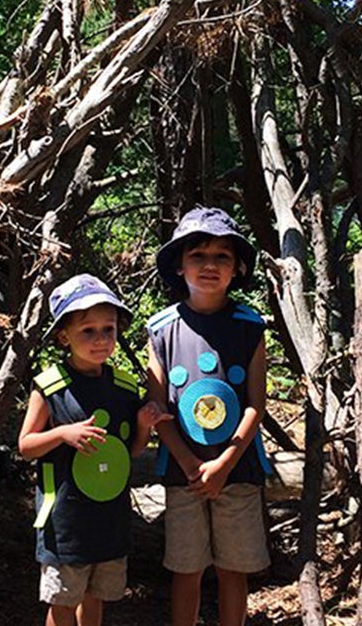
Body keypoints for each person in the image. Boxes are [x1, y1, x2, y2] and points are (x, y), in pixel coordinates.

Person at [19, 273, 170, 626]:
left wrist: (145, 427)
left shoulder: (123, 386)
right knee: (63, 601)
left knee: (96, 594)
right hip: (67, 522)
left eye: (109, 329)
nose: (101, 339)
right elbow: (25, 446)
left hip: (109, 518)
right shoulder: (50, 386)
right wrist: (63, 434)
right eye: (88, 330)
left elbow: (129, 452)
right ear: (63, 336)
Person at [146, 207, 273, 626]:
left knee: (232, 570)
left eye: (222, 256)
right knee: (186, 569)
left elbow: (256, 403)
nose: (209, 265)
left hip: (237, 470)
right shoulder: (162, 330)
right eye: (198, 255)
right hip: (183, 474)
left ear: (237, 269)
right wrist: (189, 463)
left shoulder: (250, 326)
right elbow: (157, 408)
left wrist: (223, 464)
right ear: (179, 265)